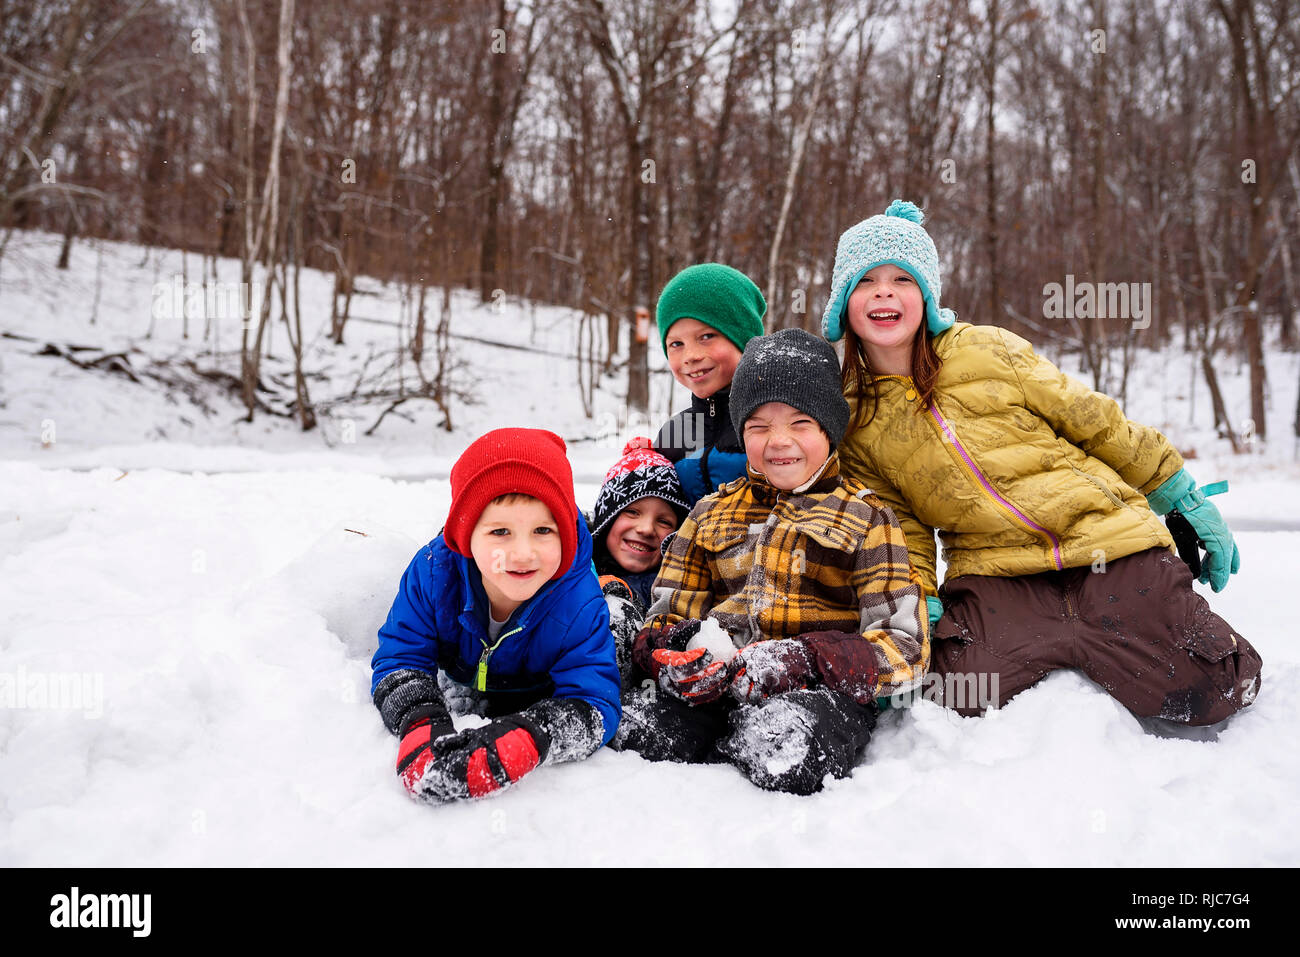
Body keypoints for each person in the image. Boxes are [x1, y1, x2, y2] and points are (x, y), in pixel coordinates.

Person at [821, 199, 1262, 725]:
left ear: (928, 296)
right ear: (844, 301)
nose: (885, 292)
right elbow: (900, 523)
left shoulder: (988, 350)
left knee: (1215, 686)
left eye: (902, 279)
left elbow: (1094, 421)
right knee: (955, 694)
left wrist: (1175, 489)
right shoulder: (855, 414)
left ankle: (1141, 612)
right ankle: (1070, 638)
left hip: (1106, 542)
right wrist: (916, 600)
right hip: (997, 572)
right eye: (867, 281)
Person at [613, 329, 928, 794]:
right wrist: (672, 651)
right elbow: (668, 613)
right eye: (759, 426)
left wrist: (805, 659)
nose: (779, 441)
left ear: (829, 429)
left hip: (818, 694)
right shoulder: (709, 514)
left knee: (787, 752)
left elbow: (907, 648)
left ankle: (748, 758)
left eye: (800, 423)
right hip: (714, 685)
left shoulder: (867, 517)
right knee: (637, 735)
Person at [371, 428, 621, 803]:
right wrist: (419, 723)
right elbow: (399, 657)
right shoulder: (434, 574)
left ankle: (623, 597)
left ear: (566, 534)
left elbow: (596, 702)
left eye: (542, 530)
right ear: (466, 535)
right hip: (467, 669)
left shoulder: (579, 603)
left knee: (618, 629)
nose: (522, 553)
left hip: (538, 686)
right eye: (500, 531)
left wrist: (532, 738)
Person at [652, 263, 767, 505]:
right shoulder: (674, 434)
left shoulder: (780, 420)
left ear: (744, 339)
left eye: (706, 337)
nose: (690, 356)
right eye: (676, 344)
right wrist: (642, 461)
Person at [586, 437, 691, 687]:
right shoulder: (573, 565)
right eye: (632, 512)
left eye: (664, 521)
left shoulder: (671, 589)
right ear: (607, 519)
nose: (645, 529)